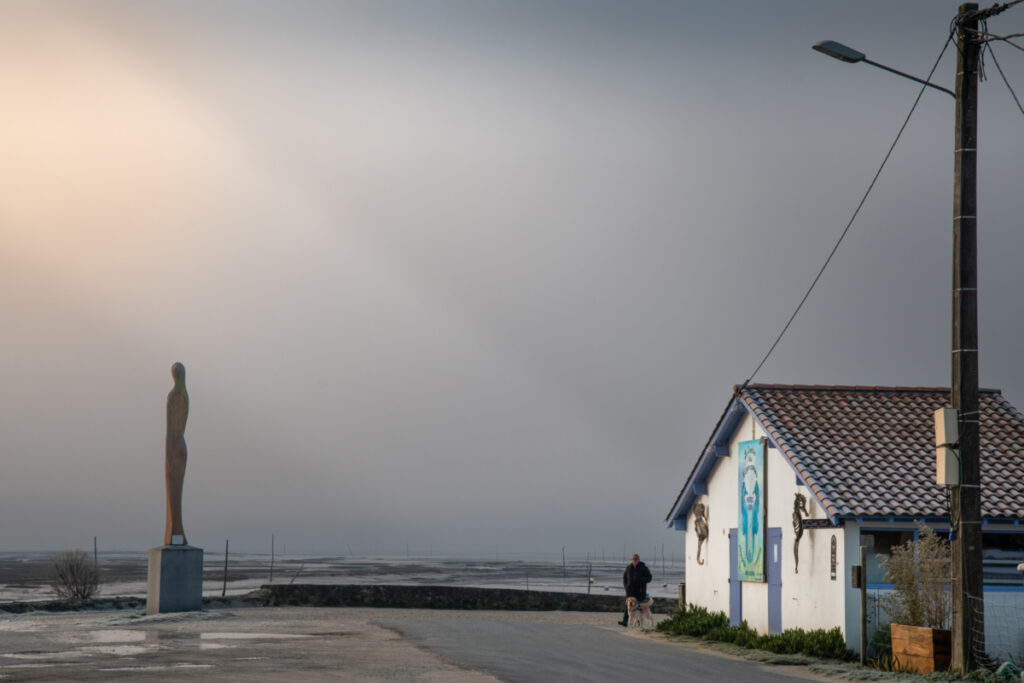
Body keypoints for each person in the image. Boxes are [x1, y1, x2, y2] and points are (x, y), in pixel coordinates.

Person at [620, 553, 652, 626]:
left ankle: (638, 622)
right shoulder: (628, 567)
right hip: (630, 591)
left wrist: (642, 580)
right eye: (633, 559)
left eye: (636, 559)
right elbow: (624, 578)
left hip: (640, 592)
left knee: (639, 607)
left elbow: (649, 577)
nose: (634, 560)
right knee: (627, 607)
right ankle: (625, 622)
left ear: (638, 559)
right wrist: (626, 587)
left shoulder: (643, 568)